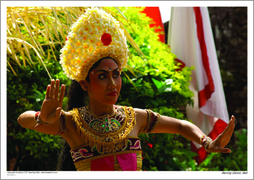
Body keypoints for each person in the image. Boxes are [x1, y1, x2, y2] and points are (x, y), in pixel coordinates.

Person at [17, 7, 235, 171]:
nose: (113, 83)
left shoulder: (134, 117)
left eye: (116, 74)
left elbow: (180, 125)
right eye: (102, 76)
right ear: (85, 84)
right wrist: (44, 118)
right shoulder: (73, 123)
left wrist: (207, 142)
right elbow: (23, 119)